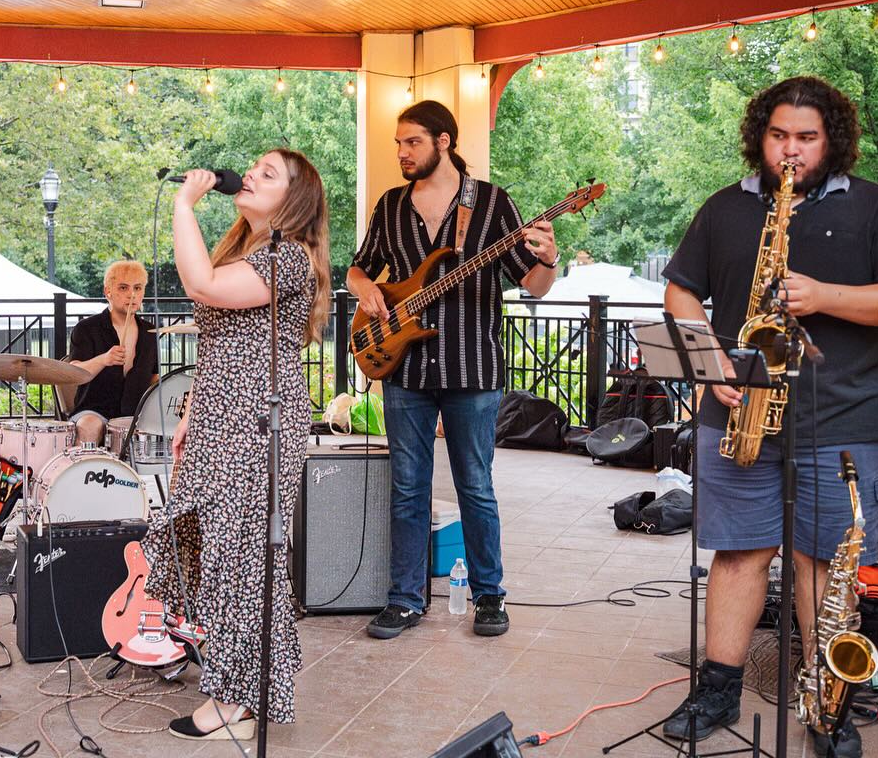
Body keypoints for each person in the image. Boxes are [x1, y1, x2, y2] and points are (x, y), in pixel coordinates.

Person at [661, 77, 878, 757]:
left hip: (842, 419)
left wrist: (823, 296)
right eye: (778, 135)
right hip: (739, 412)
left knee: (821, 566)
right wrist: (711, 362)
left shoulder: (872, 206)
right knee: (737, 555)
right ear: (760, 136)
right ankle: (717, 685)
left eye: (805, 138)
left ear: (830, 139)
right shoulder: (724, 208)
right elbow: (679, 293)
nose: (790, 151)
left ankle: (824, 703)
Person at [347, 100, 559, 640]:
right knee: (408, 489)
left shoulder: (490, 204)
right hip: (405, 369)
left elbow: (532, 285)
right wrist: (368, 288)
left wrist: (550, 261)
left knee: (476, 487)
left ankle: (490, 597)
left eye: (412, 142)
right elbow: (357, 269)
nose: (402, 152)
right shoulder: (391, 205)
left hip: (473, 368)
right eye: (398, 143)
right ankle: (404, 598)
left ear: (444, 141)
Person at [142, 148, 329, 740]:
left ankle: (238, 703)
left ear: (293, 202)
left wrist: (182, 202)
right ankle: (233, 685)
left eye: (266, 174)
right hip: (219, 413)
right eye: (252, 168)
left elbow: (201, 284)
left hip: (257, 422)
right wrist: (192, 412)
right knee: (210, 551)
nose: (248, 176)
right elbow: (219, 342)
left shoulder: (291, 259)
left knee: (244, 561)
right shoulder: (248, 253)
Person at [59, 260, 158, 444]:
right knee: (89, 424)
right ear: (108, 292)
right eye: (123, 288)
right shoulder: (87, 328)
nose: (132, 294)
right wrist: (104, 359)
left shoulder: (150, 332)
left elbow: (153, 377)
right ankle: (85, 470)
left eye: (137, 288)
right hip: (94, 409)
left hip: (135, 413)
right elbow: (74, 373)